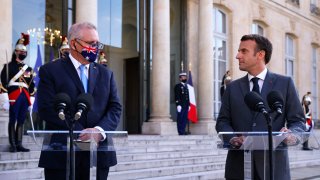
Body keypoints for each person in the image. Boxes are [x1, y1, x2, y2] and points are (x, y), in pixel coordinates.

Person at [37, 22, 122, 180]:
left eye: (97, 44)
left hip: (99, 156)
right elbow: (46, 108)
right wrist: (79, 132)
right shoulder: (50, 71)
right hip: (61, 156)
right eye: (91, 43)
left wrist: (98, 131)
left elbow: (115, 107)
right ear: (73, 43)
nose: (95, 48)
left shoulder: (106, 74)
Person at [215, 34, 305, 180]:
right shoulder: (232, 88)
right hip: (239, 169)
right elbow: (222, 122)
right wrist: (232, 138)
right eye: (239, 51)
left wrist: (292, 135)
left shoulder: (285, 84)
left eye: (243, 51)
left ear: (260, 55)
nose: (237, 56)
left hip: (274, 169)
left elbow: (298, 121)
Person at [0, 33, 35, 152]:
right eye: (21, 52)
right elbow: (3, 82)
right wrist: (4, 98)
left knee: (21, 120)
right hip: (13, 95)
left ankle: (19, 143)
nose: (23, 54)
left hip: (24, 96)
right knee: (13, 119)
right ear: (16, 52)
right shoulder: (8, 67)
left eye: (25, 52)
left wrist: (32, 98)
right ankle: (13, 144)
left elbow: (31, 85)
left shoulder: (29, 69)